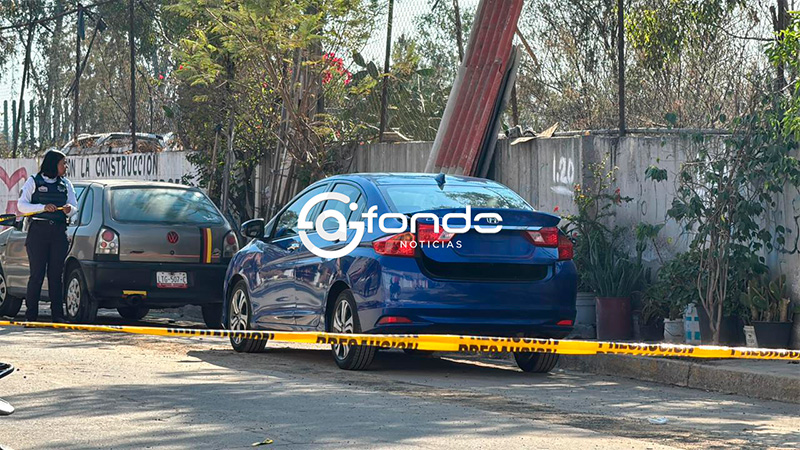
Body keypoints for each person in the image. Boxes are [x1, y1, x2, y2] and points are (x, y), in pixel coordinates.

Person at [17, 150, 79, 322]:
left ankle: (57, 316)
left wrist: (69, 210)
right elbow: (22, 206)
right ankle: (31, 316)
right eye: (63, 163)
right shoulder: (33, 181)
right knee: (36, 275)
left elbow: (74, 206)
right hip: (38, 232)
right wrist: (42, 207)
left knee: (56, 275)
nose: (65, 167)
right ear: (53, 164)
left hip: (59, 232)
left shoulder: (65, 184)